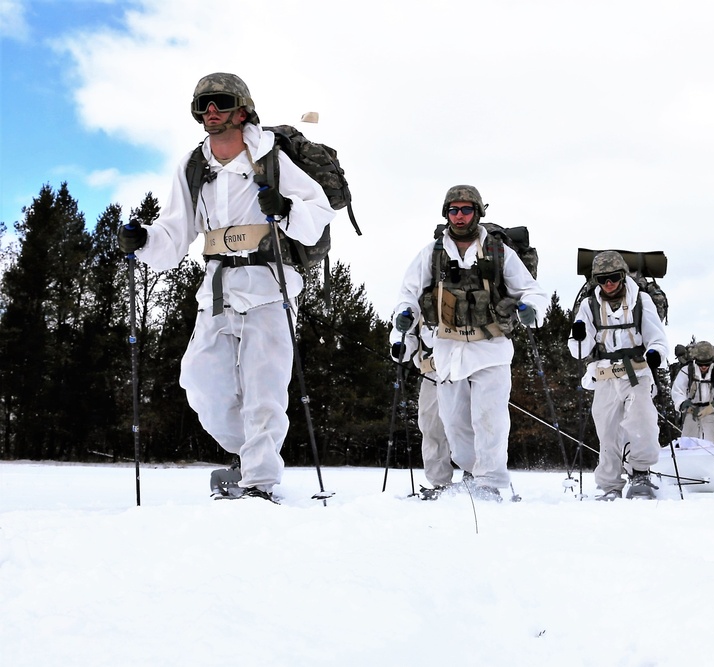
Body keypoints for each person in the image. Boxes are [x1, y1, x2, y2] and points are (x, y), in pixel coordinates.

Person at [117, 73, 335, 501]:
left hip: (270, 283)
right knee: (200, 379)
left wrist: (286, 207)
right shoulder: (193, 165)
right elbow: (175, 230)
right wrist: (143, 240)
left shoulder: (272, 158)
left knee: (264, 387)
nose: (210, 111)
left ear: (242, 109)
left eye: (218, 102)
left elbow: (319, 213)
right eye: (202, 104)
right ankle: (248, 455)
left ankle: (259, 481)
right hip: (217, 285)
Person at [393, 185, 548, 501]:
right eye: (453, 210)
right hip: (448, 351)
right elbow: (408, 293)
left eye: (465, 209)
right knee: (454, 424)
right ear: (446, 213)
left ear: (477, 211)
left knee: (489, 418)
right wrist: (403, 318)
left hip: (490, 347)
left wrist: (532, 309)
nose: (459, 216)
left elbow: (531, 290)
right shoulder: (432, 253)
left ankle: (489, 482)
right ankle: (471, 473)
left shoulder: (499, 252)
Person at [568, 251, 669, 500]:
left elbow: (657, 337)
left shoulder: (641, 301)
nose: (609, 283)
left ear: (623, 276)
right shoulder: (588, 305)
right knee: (607, 430)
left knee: (641, 421)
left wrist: (656, 354)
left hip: (636, 372)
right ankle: (610, 484)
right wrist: (579, 334)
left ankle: (640, 473)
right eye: (602, 279)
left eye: (613, 277)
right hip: (604, 374)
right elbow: (579, 351)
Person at [389, 321, 471, 499]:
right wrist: (399, 346)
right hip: (430, 371)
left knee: (460, 424)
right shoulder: (417, 300)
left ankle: (475, 475)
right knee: (430, 426)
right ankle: (440, 482)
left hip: (460, 369)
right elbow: (406, 333)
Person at [671, 340, 714, 447]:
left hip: (711, 412)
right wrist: (683, 404)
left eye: (707, 364)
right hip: (691, 412)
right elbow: (677, 390)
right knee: (688, 444)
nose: (704, 367)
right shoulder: (687, 371)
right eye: (700, 364)